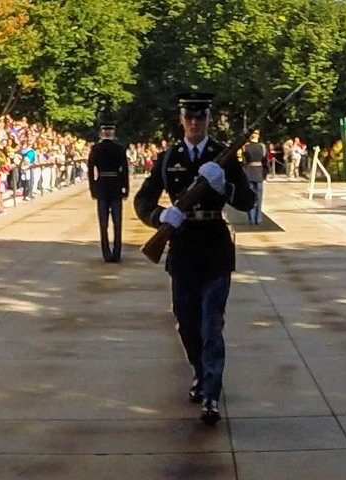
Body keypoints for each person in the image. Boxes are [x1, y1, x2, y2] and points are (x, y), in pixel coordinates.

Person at [133, 92, 255, 425]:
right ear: (181, 119)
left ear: (208, 120)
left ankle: (212, 396)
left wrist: (223, 188)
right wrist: (161, 217)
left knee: (211, 324)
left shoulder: (222, 155)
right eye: (190, 118)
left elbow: (247, 200)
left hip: (214, 248)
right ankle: (201, 373)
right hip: (184, 249)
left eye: (200, 118)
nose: (195, 123)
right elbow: (142, 201)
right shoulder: (169, 156)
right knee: (187, 323)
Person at [87, 119, 129, 263]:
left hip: (102, 186)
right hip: (116, 185)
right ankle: (116, 254)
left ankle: (106, 253)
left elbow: (91, 170)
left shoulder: (96, 148)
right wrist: (126, 188)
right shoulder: (119, 148)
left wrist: (93, 188)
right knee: (117, 223)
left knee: (103, 223)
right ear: (113, 132)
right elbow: (125, 170)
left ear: (102, 132)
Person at [243, 129, 269, 225]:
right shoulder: (262, 147)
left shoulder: (246, 147)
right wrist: (265, 173)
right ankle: (257, 219)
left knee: (250, 196)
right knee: (259, 197)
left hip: (249, 172)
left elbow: (244, 162)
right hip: (259, 172)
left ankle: (251, 218)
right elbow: (265, 162)